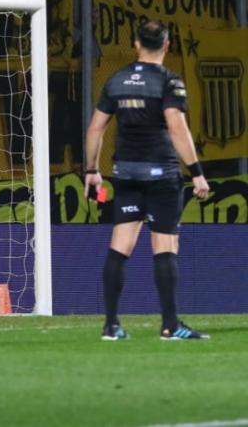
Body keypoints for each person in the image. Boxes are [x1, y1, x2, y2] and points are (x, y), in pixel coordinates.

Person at [84, 20, 211, 341]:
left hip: (126, 172)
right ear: (167, 45)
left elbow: (96, 128)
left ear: (136, 44)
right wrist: (196, 172)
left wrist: (91, 170)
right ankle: (170, 325)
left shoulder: (117, 79)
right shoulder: (169, 81)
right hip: (161, 173)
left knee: (120, 245)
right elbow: (177, 127)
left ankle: (111, 325)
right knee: (165, 245)